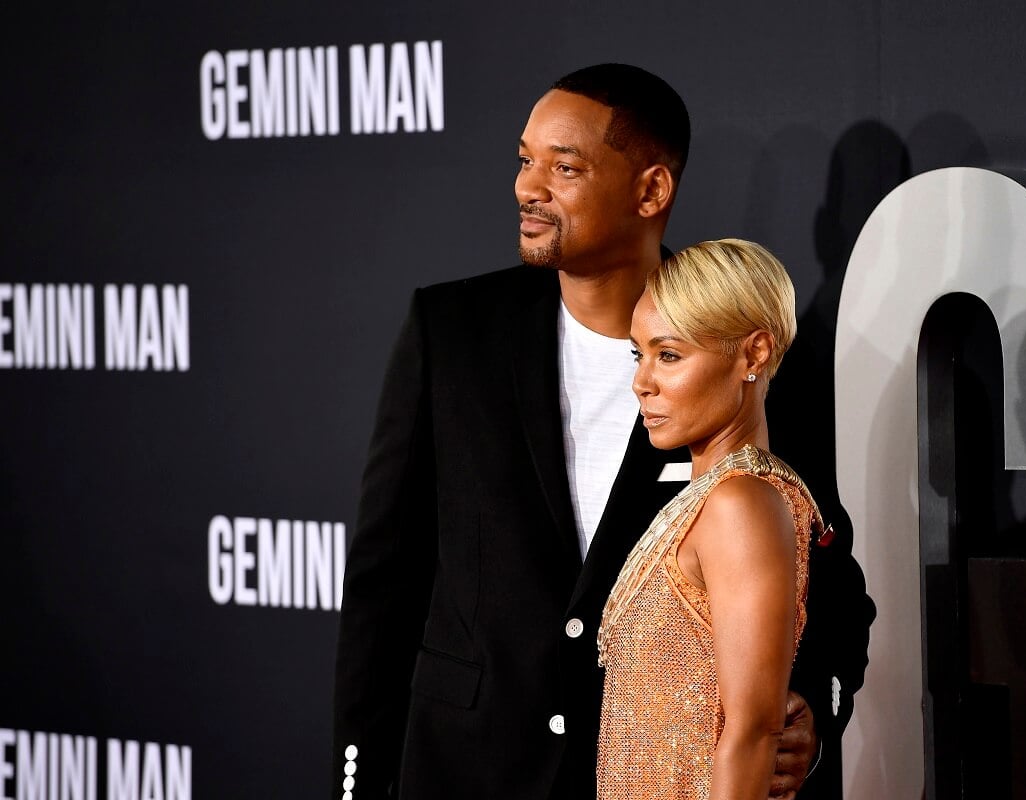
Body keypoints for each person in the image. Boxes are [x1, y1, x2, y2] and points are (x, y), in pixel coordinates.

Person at [332, 63, 874, 800]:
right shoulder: (451, 334)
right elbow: (383, 587)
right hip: (467, 771)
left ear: (651, 191)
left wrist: (812, 703)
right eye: (526, 160)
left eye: (565, 167)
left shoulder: (743, 350)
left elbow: (832, 583)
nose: (528, 187)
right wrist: (358, 785)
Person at [597, 239, 818, 800]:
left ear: (754, 354)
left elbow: (752, 731)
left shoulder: (740, 503)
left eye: (668, 355)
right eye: (638, 354)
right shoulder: (714, 497)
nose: (642, 381)